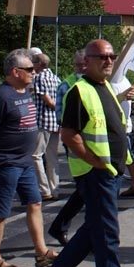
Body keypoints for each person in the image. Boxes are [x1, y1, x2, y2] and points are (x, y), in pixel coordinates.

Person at [38, 39, 134, 267]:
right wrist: (96, 163)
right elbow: (69, 135)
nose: (108, 61)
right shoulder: (79, 91)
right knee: (107, 235)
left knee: (95, 228)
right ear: (88, 60)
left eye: (111, 56)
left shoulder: (104, 87)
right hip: (97, 174)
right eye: (102, 57)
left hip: (110, 172)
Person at [0, 49, 56, 267]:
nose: (34, 72)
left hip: (24, 161)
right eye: (29, 69)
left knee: (35, 203)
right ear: (15, 71)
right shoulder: (1, 97)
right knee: (1, 212)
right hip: (5, 163)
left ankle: (41, 251)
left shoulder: (24, 91)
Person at [47, 49, 87, 246]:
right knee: (87, 189)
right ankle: (85, 239)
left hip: (94, 142)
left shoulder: (93, 82)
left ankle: (61, 227)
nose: (82, 68)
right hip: (77, 142)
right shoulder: (67, 85)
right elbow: (60, 117)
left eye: (84, 65)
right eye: (79, 65)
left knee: (86, 191)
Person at [32, 52, 62, 201]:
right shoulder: (56, 78)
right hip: (55, 122)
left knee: (35, 156)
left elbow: (48, 101)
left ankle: (44, 189)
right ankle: (55, 188)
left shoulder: (38, 78)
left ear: (38, 64)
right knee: (52, 157)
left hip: (42, 120)